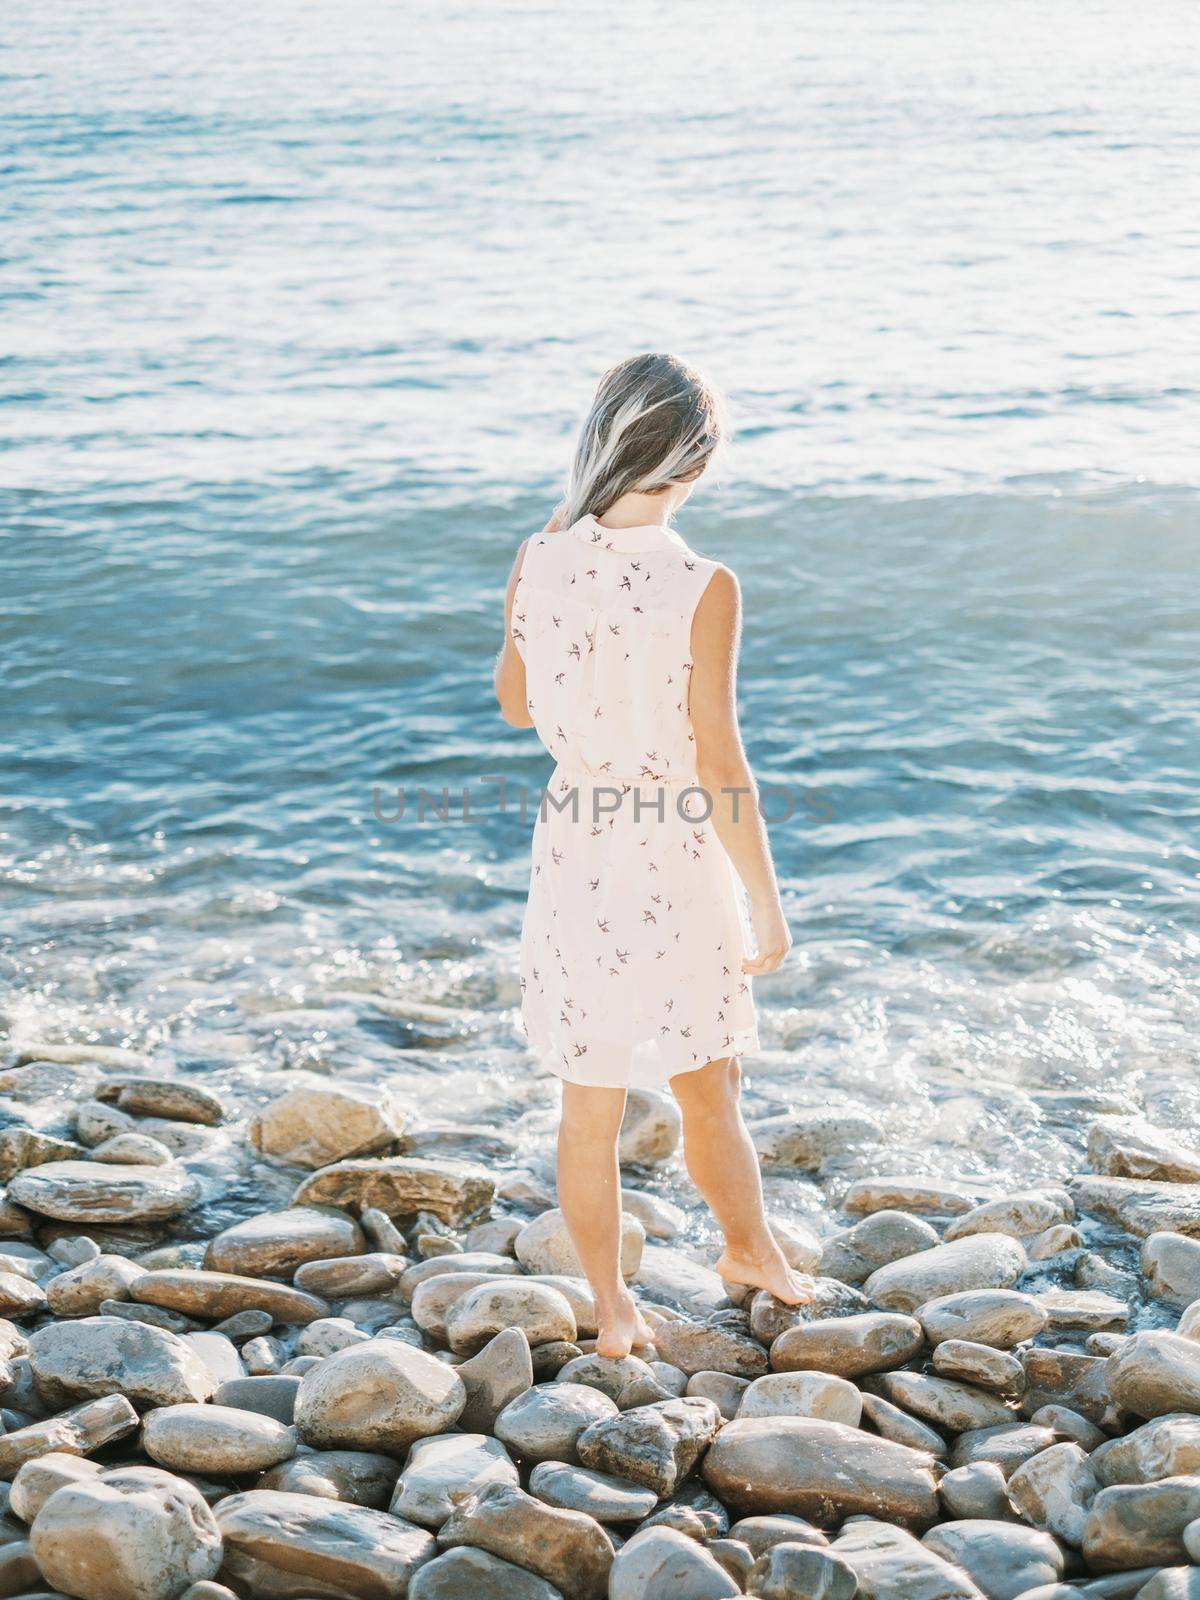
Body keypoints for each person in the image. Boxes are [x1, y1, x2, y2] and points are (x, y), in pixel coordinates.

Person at [494, 353, 814, 1357]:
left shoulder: (537, 555)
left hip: (574, 838)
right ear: (698, 461)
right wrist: (766, 901)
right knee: (704, 1078)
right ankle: (750, 1250)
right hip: (671, 845)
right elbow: (719, 759)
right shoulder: (700, 584)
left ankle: (613, 1311)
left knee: (587, 1102)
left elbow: (514, 704)